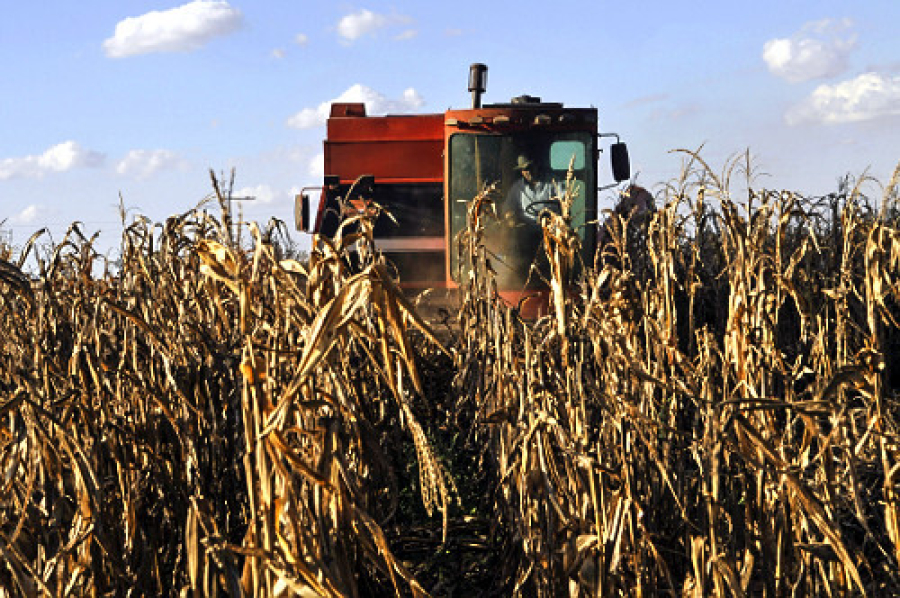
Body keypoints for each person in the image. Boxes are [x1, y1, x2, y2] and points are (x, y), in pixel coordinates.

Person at [504, 155, 555, 223]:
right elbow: (508, 206)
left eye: (530, 167)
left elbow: (564, 200)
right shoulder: (517, 188)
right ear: (521, 172)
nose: (528, 172)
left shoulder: (553, 183)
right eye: (524, 169)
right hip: (526, 227)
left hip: (550, 225)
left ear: (536, 166)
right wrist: (509, 216)